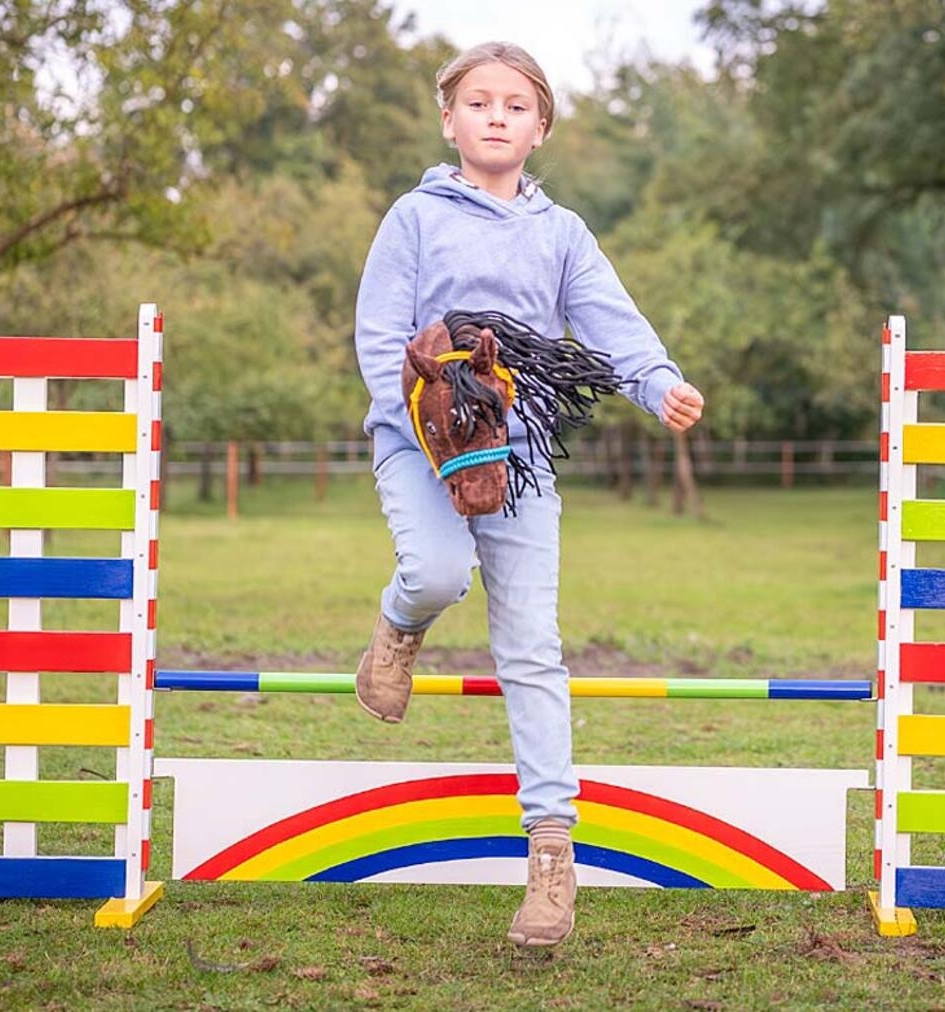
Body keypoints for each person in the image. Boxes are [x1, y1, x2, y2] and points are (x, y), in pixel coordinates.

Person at [352, 41, 705, 947]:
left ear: (540, 127)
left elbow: (609, 319)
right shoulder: (414, 217)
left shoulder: (562, 233)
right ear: (449, 120)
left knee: (534, 649)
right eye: (478, 102)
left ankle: (551, 857)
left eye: (516, 104)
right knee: (433, 574)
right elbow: (379, 332)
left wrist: (656, 380)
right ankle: (399, 628)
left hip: (521, 458)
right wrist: (426, 402)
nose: (496, 115)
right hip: (422, 444)